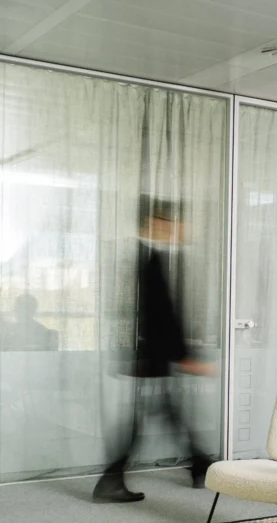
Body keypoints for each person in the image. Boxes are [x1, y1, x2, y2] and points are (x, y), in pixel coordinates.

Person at [93, 198, 214, 504]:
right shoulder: (149, 260)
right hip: (150, 355)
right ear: (154, 222)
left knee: (166, 412)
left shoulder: (151, 257)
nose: (177, 229)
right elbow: (159, 313)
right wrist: (184, 356)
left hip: (151, 355)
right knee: (147, 418)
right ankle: (112, 480)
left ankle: (199, 465)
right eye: (171, 222)